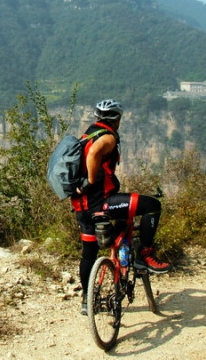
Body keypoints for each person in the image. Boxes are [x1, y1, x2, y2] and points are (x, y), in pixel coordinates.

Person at [71, 99, 170, 315]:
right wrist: (90, 181)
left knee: (89, 253)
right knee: (152, 205)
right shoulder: (106, 137)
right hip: (103, 203)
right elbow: (96, 152)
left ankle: (87, 301)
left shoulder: (86, 135)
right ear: (117, 119)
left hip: (82, 207)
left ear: (98, 117)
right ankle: (146, 254)